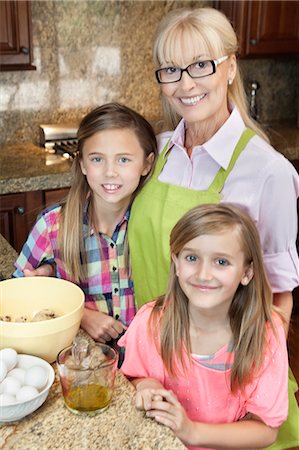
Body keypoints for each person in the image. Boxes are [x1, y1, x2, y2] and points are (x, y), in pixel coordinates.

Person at [128, 7, 299, 332]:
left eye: (201, 65)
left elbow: (278, 299)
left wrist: (246, 379)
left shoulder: (268, 170)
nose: (185, 84)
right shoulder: (156, 151)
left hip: (224, 368)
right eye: (171, 70)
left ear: (230, 67)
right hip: (150, 357)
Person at [120, 203, 289, 450]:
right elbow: (133, 376)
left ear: (247, 273)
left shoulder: (265, 334)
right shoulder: (151, 322)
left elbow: (266, 431)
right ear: (176, 263)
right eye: (192, 258)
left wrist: (191, 432)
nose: (203, 274)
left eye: (221, 262)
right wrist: (146, 386)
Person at [13, 102, 157, 343]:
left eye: (123, 160)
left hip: (149, 366)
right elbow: (16, 301)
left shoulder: (156, 225)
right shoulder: (51, 228)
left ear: (146, 164)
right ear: (82, 164)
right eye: (97, 159)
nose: (110, 172)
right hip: (83, 364)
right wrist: (80, 315)